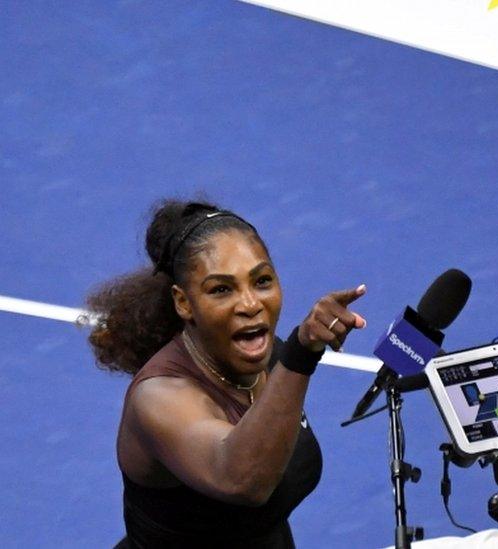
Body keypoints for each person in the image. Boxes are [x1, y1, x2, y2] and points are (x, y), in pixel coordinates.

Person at [87, 199, 367, 548]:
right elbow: (243, 479)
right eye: (221, 289)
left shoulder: (272, 359)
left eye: (262, 281)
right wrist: (300, 355)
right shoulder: (158, 398)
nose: (250, 304)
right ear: (184, 302)